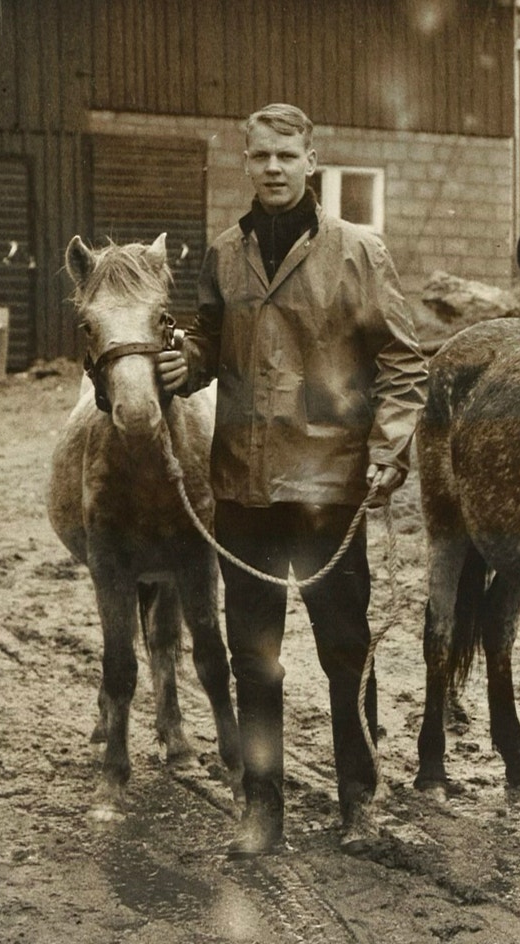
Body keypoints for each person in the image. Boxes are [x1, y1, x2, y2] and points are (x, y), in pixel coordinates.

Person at [158, 103, 426, 856]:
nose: (271, 168)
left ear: (313, 160)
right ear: (245, 163)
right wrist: (187, 365)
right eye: (258, 156)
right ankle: (261, 812)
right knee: (254, 657)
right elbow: (211, 343)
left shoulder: (358, 254)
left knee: (346, 649)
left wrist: (389, 446)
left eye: (285, 155)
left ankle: (359, 807)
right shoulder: (222, 254)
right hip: (242, 489)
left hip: (330, 490)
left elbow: (405, 361)